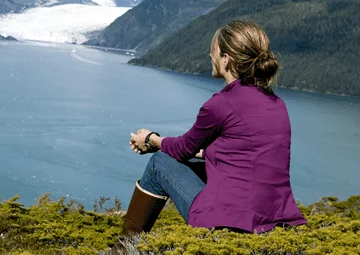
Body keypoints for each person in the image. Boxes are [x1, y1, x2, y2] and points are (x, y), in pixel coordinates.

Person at [110, 20, 307, 253]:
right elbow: (240, 152)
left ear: (226, 59)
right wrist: (169, 146)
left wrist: (151, 138)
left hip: (230, 222)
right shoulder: (277, 104)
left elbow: (182, 148)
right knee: (191, 159)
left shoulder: (221, 104)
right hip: (277, 220)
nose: (210, 55)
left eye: (213, 51)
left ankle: (122, 251)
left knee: (159, 163)